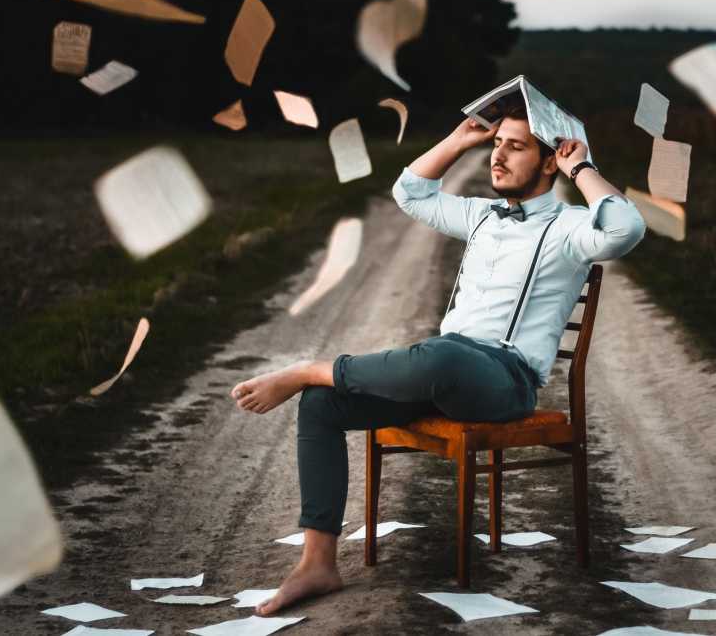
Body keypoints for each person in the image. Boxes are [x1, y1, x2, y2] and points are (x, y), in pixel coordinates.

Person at [229, 100, 646, 615]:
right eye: (497, 144)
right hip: (443, 371)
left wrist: (581, 167)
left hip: (503, 381)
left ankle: (311, 369)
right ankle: (318, 564)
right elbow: (409, 193)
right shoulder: (480, 214)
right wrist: (459, 140)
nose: (499, 157)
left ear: (548, 162)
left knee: (438, 356)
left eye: (515, 147)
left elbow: (626, 229)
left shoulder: (571, 227)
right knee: (321, 406)